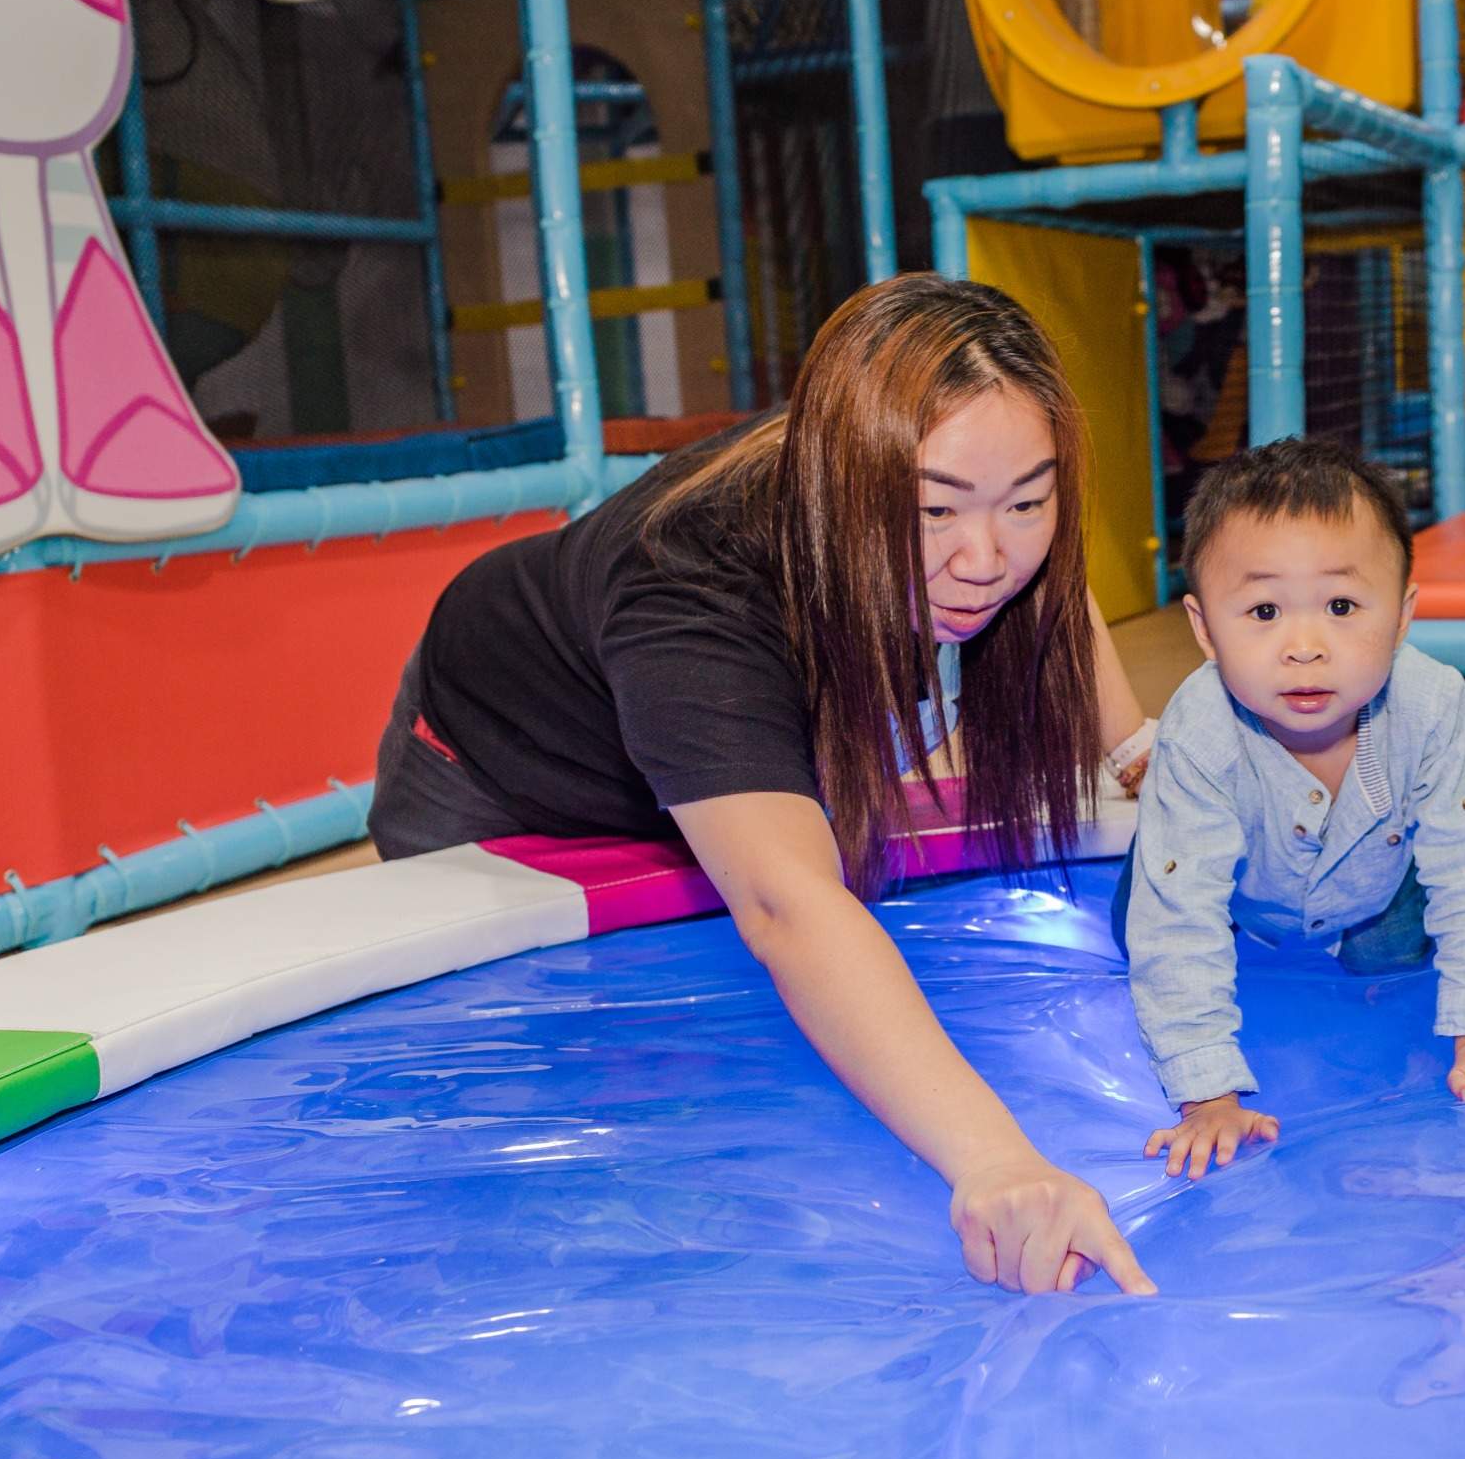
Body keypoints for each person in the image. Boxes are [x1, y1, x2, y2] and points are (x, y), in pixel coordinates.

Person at [373, 275, 1160, 1296]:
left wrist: (1141, 755)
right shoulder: (691, 586)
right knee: (547, 1097)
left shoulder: (948, 508)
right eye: (935, 511)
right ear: (856, 483)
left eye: (1026, 501)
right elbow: (788, 905)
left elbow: (1054, 588)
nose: (986, 556)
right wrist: (997, 1161)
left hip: (669, 730)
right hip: (489, 772)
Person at [1119, 438, 1465, 1178]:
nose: (1305, 646)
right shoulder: (1202, 730)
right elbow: (1178, 918)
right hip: (1236, 889)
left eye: (1342, 606)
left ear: (1402, 616)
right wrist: (1206, 1092)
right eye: (1264, 610)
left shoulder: (1430, 704)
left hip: (1371, 885)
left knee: (1393, 951)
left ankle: (1382, 940)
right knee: (1147, 913)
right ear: (1205, 629)